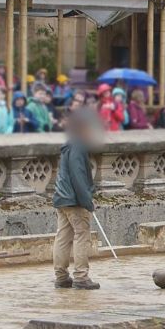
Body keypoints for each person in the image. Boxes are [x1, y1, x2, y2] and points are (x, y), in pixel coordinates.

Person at [52, 108, 102, 290]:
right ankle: (81, 277)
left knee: (63, 238)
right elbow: (78, 177)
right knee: (82, 236)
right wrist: (87, 201)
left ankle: (61, 276)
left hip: (62, 198)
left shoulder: (69, 145)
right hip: (74, 200)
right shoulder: (78, 147)